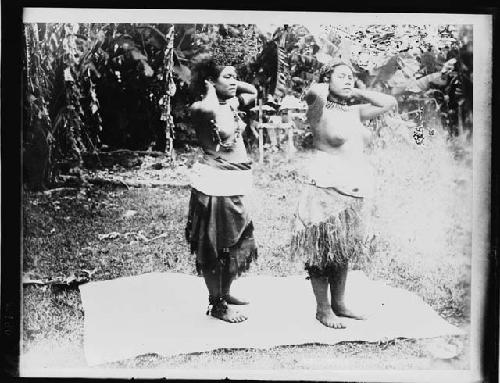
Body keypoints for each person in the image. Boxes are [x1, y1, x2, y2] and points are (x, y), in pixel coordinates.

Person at [291, 62, 397, 329]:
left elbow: (390, 102)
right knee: (321, 251)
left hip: (355, 189)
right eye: (341, 76)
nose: (348, 79)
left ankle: (339, 303)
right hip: (326, 188)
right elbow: (313, 92)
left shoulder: (355, 111)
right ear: (327, 80)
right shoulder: (318, 110)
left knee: (343, 249)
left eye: (351, 76)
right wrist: (327, 85)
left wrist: (357, 92)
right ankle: (322, 308)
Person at [185, 55, 258, 323]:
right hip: (215, 185)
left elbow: (253, 92)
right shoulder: (201, 108)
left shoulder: (231, 104)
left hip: (236, 183)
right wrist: (211, 87)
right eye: (227, 76)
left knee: (235, 241)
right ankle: (216, 303)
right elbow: (208, 108)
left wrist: (230, 82)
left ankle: (225, 293)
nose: (235, 81)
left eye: (235, 75)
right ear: (209, 81)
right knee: (215, 245)